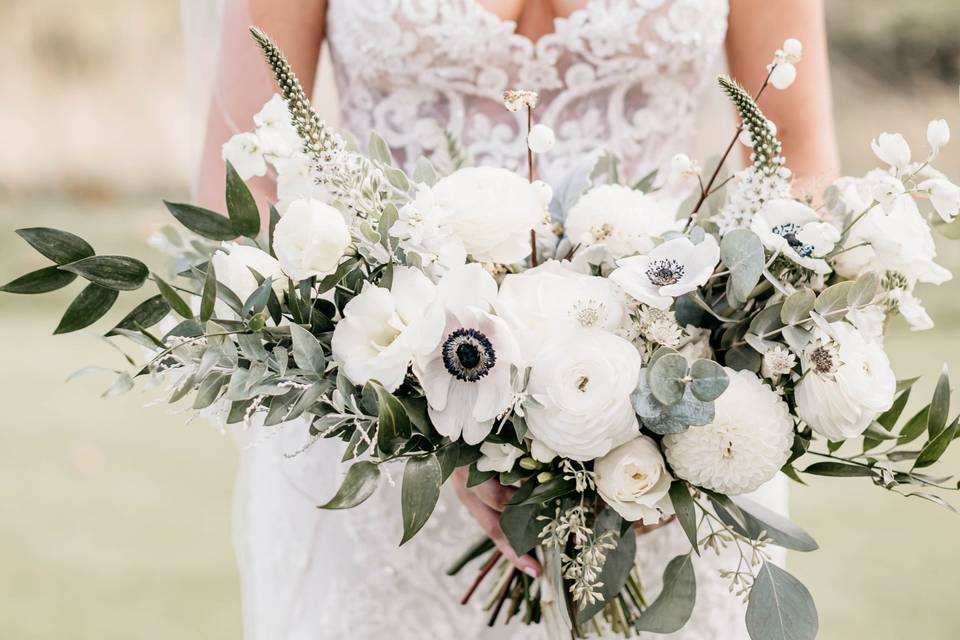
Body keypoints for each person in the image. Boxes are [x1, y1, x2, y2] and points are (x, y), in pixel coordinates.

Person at [190, 2, 839, 638]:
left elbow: (797, 162)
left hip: (677, 428)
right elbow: (247, 181)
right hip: (389, 442)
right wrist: (437, 427)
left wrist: (678, 382)